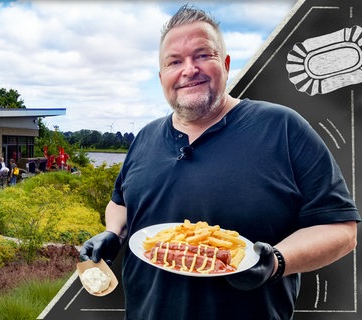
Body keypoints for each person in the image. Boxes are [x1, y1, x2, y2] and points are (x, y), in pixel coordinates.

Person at [79, 5, 360, 320]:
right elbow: (120, 202)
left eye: (202, 55)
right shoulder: (144, 138)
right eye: (175, 61)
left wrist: (277, 262)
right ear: (161, 77)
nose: (189, 69)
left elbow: (341, 229)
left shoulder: (283, 128)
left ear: (225, 64)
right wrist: (114, 233)